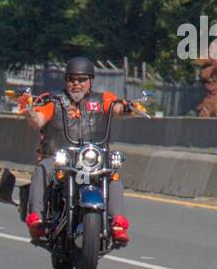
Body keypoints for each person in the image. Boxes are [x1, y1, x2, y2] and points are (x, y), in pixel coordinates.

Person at [23, 56, 134, 244]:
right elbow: (38, 121)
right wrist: (30, 110)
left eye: (81, 80)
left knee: (112, 175)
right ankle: (36, 218)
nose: (76, 84)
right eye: (71, 79)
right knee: (43, 169)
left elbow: (118, 109)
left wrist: (128, 107)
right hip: (59, 158)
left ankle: (118, 222)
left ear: (90, 81)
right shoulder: (54, 101)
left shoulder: (102, 100)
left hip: (93, 158)